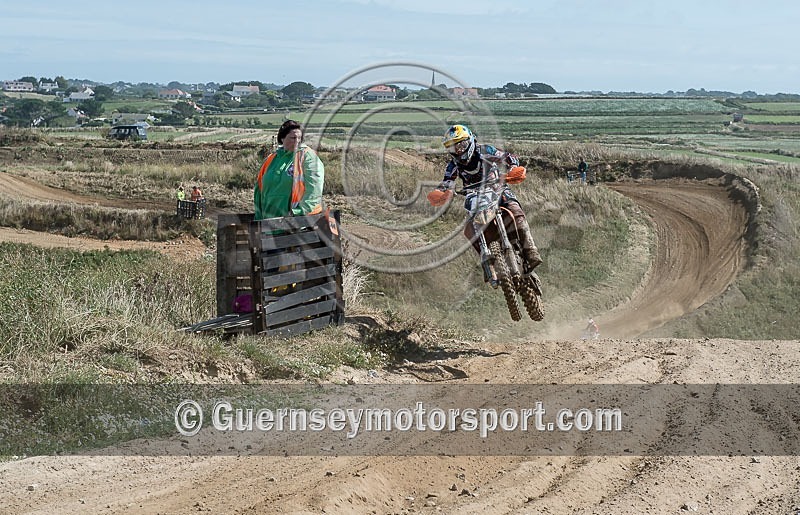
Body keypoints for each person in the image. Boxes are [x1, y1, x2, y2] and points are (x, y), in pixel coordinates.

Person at [427, 124, 542, 270]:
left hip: (497, 189)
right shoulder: (453, 165)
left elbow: (507, 156)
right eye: (453, 147)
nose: (458, 150)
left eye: (461, 145)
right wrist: (442, 193)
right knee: (469, 229)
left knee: (514, 209)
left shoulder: (485, 151)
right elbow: (446, 182)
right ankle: (488, 264)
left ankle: (531, 250)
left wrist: (512, 168)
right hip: (474, 196)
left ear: (470, 141)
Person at [254, 119, 324, 220]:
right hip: (268, 222)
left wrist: (299, 212)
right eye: (293, 138)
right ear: (282, 138)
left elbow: (314, 190)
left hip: (296, 223)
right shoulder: (271, 159)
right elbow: (259, 190)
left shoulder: (307, 157)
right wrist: (258, 216)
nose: (297, 141)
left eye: (299, 138)